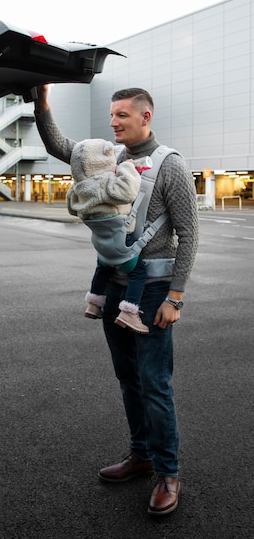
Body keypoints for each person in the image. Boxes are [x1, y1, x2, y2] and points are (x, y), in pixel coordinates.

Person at [34, 86, 199, 516]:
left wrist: (175, 298)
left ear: (145, 117)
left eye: (122, 115)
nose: (113, 123)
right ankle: (141, 454)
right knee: (128, 379)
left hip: (156, 291)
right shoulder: (110, 160)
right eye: (111, 115)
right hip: (115, 287)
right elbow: (59, 146)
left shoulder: (171, 165)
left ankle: (167, 472)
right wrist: (41, 102)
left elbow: (189, 233)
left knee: (155, 384)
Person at [66, 137, 151, 333]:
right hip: (122, 240)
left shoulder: (79, 187)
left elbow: (72, 208)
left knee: (102, 268)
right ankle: (130, 311)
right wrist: (126, 168)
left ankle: (94, 304)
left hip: (100, 243)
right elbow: (128, 191)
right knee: (138, 272)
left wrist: (78, 183)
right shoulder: (107, 183)